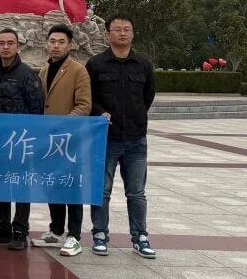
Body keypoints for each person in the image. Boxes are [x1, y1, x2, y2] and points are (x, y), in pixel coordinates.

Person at [87, 16, 156, 259]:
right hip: (106, 137)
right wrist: (99, 112)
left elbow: (148, 96)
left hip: (136, 139)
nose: (122, 33)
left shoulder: (144, 64)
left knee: (136, 192)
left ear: (133, 33)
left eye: (127, 29)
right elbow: (88, 97)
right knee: (102, 190)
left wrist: (136, 118)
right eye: (117, 29)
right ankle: (99, 234)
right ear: (108, 34)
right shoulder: (96, 64)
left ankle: (140, 236)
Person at [32, 25, 92, 257]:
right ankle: (56, 230)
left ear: (70, 45)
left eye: (61, 42)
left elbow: (84, 106)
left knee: (71, 187)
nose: (56, 46)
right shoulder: (44, 70)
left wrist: (63, 125)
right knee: (52, 184)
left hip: (69, 141)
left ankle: (74, 236)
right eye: (52, 41)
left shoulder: (78, 70)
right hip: (47, 141)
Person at [0, 28, 44, 251]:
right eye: (2, 43)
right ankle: (3, 227)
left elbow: (36, 110)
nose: (6, 47)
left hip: (19, 141)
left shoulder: (27, 75)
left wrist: (31, 140)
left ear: (18, 46)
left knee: (20, 186)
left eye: (10, 43)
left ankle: (20, 230)